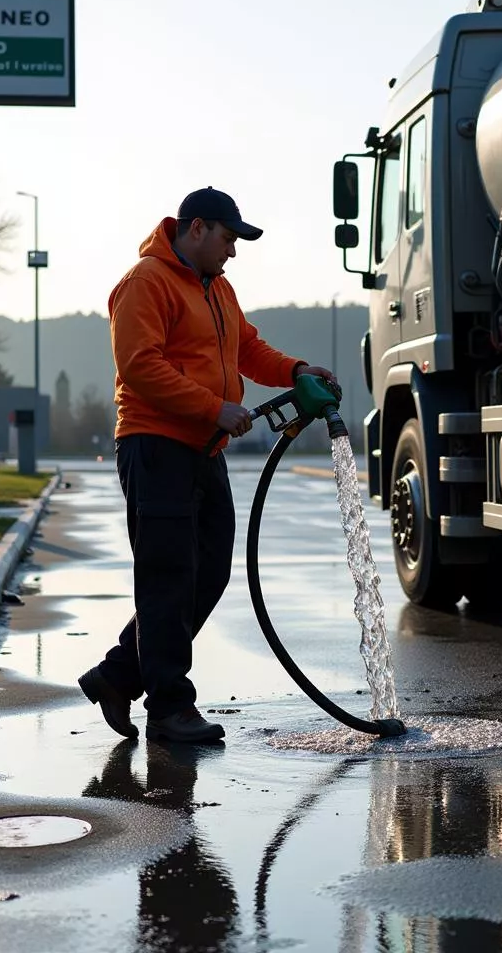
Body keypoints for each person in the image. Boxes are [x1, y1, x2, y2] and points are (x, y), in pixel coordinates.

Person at [79, 187, 336, 743]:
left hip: (202, 449)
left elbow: (247, 348)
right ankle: (170, 709)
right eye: (228, 239)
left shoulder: (218, 289)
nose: (233, 252)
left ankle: (119, 674)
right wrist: (212, 407)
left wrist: (296, 370)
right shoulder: (145, 282)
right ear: (196, 228)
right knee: (167, 576)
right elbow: (139, 365)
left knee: (210, 570)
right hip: (156, 446)